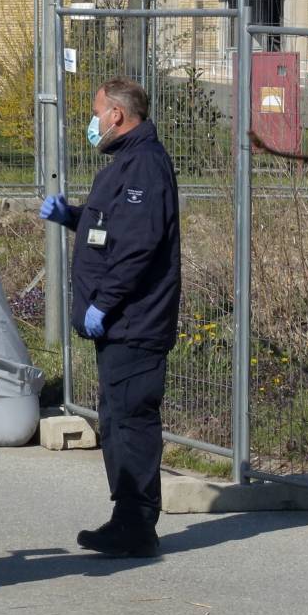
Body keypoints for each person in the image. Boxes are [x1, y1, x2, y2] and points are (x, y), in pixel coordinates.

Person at [39, 78, 181, 558]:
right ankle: (127, 519)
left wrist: (106, 302)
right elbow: (114, 228)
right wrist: (74, 217)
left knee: (132, 421)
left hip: (134, 322)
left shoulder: (143, 165)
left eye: (98, 112)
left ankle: (137, 523)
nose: (93, 122)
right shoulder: (126, 163)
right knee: (118, 419)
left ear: (117, 115)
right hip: (122, 322)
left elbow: (139, 247)